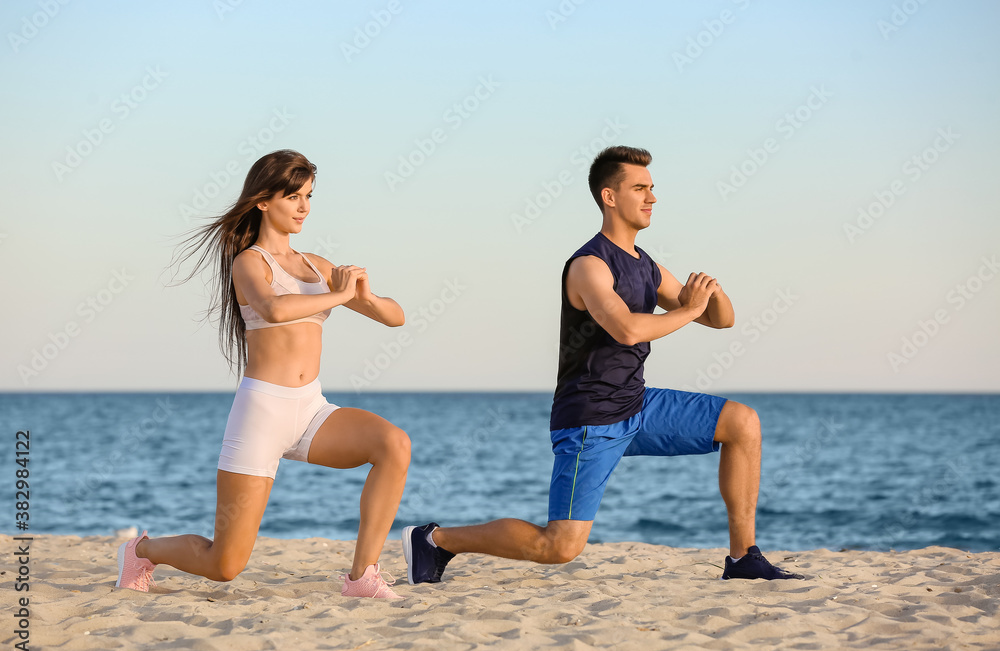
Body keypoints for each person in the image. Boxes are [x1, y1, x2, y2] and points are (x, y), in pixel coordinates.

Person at [403, 145, 802, 583]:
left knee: (742, 423)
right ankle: (435, 540)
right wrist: (689, 310)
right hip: (590, 418)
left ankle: (744, 557)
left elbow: (721, 321)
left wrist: (711, 292)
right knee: (558, 547)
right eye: (639, 188)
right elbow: (626, 329)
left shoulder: (647, 266)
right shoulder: (588, 266)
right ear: (610, 197)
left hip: (637, 405)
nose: (651, 198)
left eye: (652, 188)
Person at [115, 149, 411, 599]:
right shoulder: (249, 263)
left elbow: (397, 317)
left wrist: (364, 296)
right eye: (293, 196)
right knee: (225, 565)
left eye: (309, 196)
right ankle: (143, 550)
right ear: (263, 201)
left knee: (393, 444)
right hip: (261, 415)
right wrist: (337, 297)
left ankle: (362, 577)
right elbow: (272, 309)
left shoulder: (315, 266)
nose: (304, 207)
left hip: (311, 410)